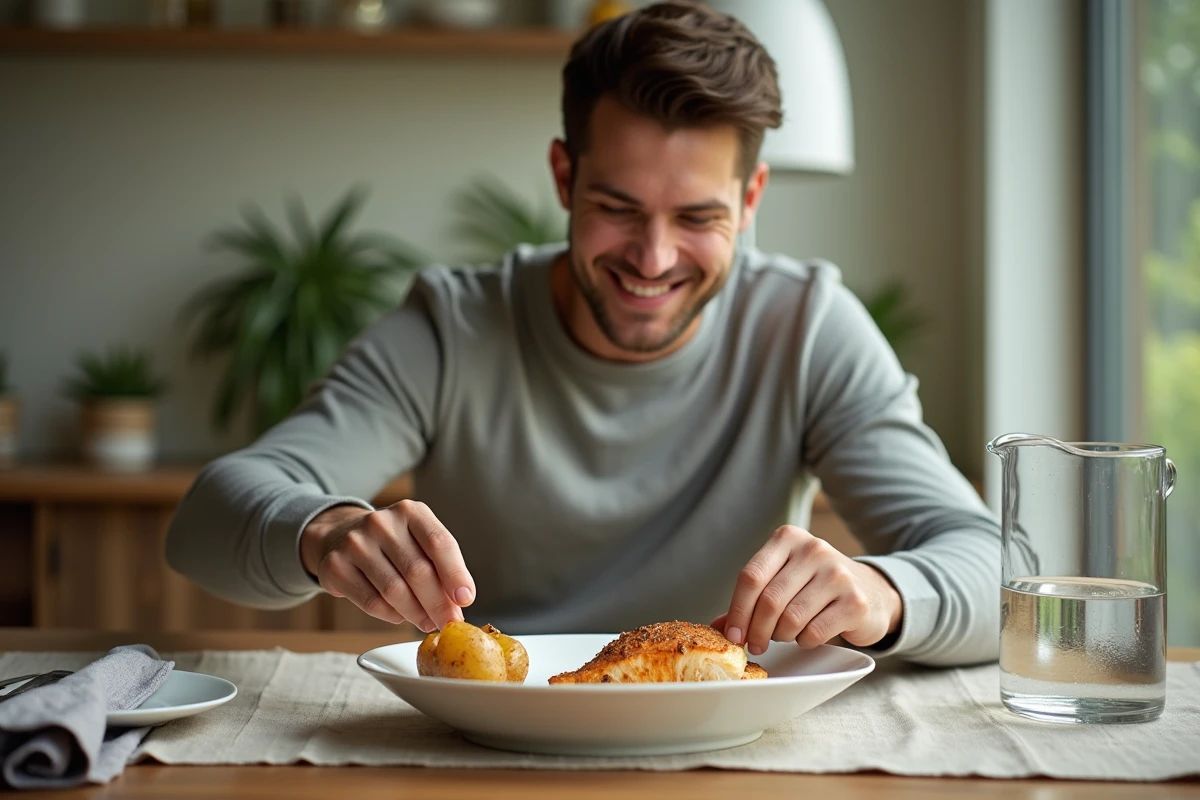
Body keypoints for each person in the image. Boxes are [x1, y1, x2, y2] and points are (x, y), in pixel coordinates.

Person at [166, 1, 1005, 667]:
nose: (653, 258)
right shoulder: (455, 326)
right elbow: (204, 523)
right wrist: (322, 532)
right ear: (565, 177)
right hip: (488, 743)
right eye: (617, 208)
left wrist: (881, 592)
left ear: (750, 202)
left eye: (699, 217)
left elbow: (996, 570)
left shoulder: (809, 329)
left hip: (723, 743)